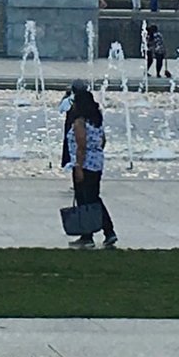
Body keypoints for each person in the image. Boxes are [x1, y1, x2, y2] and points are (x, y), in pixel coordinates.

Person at [65, 84, 117, 244]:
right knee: (93, 198)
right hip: (96, 164)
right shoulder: (96, 120)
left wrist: (79, 167)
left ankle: (91, 234)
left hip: (84, 164)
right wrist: (96, 153)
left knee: (85, 199)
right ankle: (105, 232)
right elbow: (103, 141)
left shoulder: (79, 122)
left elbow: (81, 146)